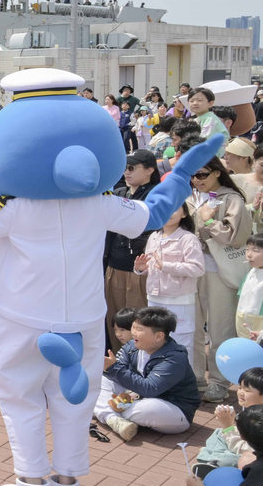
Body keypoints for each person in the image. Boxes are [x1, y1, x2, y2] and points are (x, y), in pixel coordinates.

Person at [0, 67, 218, 486]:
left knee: (22, 399)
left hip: (25, 319)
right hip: (85, 320)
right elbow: (153, 213)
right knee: (76, 402)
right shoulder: (101, 202)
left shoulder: (11, 207)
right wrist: (184, 170)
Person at [184, 145, 249, 402]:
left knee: (221, 329)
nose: (196, 180)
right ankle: (197, 378)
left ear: (217, 173)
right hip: (192, 270)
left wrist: (209, 221)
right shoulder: (189, 197)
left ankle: (219, 381)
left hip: (220, 271)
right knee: (193, 327)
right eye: (193, 175)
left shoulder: (231, 198)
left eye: (202, 174)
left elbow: (237, 237)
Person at [96, 305, 199, 442]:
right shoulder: (132, 346)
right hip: (137, 398)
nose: (133, 333)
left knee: (150, 408)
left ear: (159, 336)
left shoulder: (174, 358)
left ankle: (106, 412)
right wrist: (110, 368)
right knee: (102, 381)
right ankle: (115, 420)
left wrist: (114, 368)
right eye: (133, 327)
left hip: (174, 409)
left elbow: (150, 388)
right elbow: (119, 373)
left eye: (139, 329)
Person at [104, 149, 160, 339]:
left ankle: (140, 365)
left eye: (132, 168)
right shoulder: (119, 192)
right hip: (113, 266)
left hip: (140, 269)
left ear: (150, 170)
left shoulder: (156, 195)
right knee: (115, 320)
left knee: (139, 322)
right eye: (124, 168)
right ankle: (117, 362)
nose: (126, 172)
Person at [136, 207, 205, 354]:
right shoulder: (154, 236)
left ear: (184, 214)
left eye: (174, 209)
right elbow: (152, 267)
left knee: (181, 344)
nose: (169, 212)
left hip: (179, 300)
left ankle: (182, 377)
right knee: (153, 342)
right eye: (167, 208)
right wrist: (141, 269)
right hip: (154, 299)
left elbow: (197, 268)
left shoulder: (188, 239)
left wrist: (166, 266)